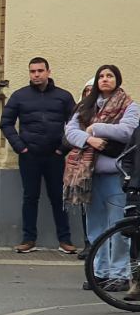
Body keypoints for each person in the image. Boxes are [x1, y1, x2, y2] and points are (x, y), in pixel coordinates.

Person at [63, 64, 139, 292]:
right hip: (88, 175)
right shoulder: (85, 106)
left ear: (118, 79)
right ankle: (99, 272)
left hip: (114, 174)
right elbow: (70, 130)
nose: (105, 79)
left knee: (116, 226)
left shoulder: (129, 105)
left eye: (110, 76)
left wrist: (95, 128)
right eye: (102, 76)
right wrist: (89, 141)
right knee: (94, 227)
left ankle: (119, 274)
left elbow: (128, 131)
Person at [1, 57, 78, 255]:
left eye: (40, 71)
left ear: (48, 72)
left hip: (55, 155)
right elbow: (6, 123)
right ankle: (28, 239)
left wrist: (62, 149)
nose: (36, 75)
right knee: (30, 197)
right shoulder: (19, 96)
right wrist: (21, 148)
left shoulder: (63, 97)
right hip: (29, 156)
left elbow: (75, 126)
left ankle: (65, 240)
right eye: (32, 71)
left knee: (57, 198)